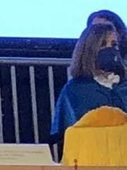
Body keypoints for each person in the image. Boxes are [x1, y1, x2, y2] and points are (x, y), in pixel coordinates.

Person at [51, 22, 127, 153]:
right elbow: (68, 130)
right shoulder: (75, 90)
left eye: (114, 45)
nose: (110, 50)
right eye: (103, 45)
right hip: (91, 156)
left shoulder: (124, 86)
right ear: (89, 50)